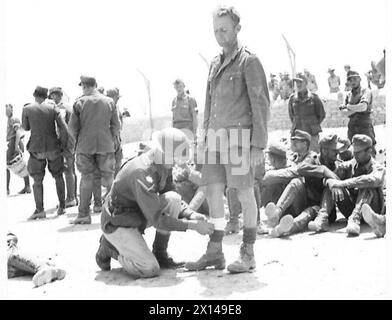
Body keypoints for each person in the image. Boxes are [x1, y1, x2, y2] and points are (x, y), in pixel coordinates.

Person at [185, 6, 270, 274]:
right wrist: (202, 140)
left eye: (224, 29)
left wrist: (258, 144)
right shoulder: (214, 62)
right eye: (215, 31)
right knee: (212, 192)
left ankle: (248, 252)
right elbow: (208, 105)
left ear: (237, 29)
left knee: (244, 194)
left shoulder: (249, 61)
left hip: (239, 139)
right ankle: (215, 251)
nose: (219, 35)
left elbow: (261, 105)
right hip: (214, 140)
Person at [96, 128, 214, 278]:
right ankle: (109, 247)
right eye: (175, 158)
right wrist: (192, 226)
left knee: (173, 199)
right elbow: (157, 220)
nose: (177, 163)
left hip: (138, 213)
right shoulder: (141, 172)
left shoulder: (163, 163)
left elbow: (170, 196)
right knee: (149, 268)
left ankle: (160, 253)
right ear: (164, 153)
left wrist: (191, 215)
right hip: (118, 222)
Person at [269, 134, 347, 237]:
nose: (337, 153)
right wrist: (322, 170)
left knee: (310, 211)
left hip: (322, 209)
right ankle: (277, 213)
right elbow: (301, 168)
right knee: (296, 182)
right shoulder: (313, 159)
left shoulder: (337, 166)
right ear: (324, 151)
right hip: (304, 202)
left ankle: (285, 228)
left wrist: (328, 174)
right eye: (334, 150)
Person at [68, 76, 121, 224]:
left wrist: (79, 140)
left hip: (85, 147)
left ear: (84, 87)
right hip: (106, 146)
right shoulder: (109, 102)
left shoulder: (79, 102)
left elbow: (72, 128)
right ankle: (115, 213)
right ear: (96, 85)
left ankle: (84, 214)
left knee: (86, 178)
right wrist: (109, 138)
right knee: (110, 179)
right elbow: (116, 126)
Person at [312, 134, 385, 236]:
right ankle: (322, 217)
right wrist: (332, 182)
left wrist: (343, 183)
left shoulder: (377, 167)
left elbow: (373, 179)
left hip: (372, 209)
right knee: (334, 185)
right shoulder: (351, 164)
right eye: (354, 152)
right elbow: (330, 176)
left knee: (366, 184)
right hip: (350, 209)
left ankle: (356, 219)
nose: (355, 155)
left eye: (358, 153)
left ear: (369, 151)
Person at [22, 86, 67, 219]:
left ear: (34, 95)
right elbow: (63, 128)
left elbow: (26, 127)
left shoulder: (27, 109)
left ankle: (40, 210)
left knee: (37, 180)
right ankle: (62, 207)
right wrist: (62, 145)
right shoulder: (52, 108)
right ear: (46, 96)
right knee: (58, 176)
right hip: (53, 147)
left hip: (36, 149)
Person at [262, 130, 318, 232]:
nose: (293, 143)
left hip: (307, 202)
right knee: (271, 182)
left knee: (295, 181)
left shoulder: (311, 158)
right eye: (292, 140)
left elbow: (296, 171)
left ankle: (276, 214)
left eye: (296, 141)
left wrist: (268, 176)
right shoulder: (296, 156)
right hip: (294, 200)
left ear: (305, 144)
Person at [48, 87, 78, 208]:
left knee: (68, 170)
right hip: (71, 142)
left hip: (65, 143)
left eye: (52, 95)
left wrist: (63, 144)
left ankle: (70, 198)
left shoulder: (61, 108)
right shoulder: (68, 106)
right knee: (71, 170)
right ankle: (73, 196)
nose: (51, 98)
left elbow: (64, 129)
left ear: (56, 96)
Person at [288, 73, 326, 153]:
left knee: (313, 156)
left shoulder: (314, 98)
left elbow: (321, 114)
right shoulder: (292, 98)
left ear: (305, 83)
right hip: (297, 133)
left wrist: (312, 124)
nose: (298, 84)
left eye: (300, 82)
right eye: (296, 83)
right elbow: (292, 115)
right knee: (297, 157)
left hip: (311, 133)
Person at [339, 71, 376, 149]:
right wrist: (357, 108)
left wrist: (348, 106)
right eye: (350, 80)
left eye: (355, 79)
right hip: (352, 127)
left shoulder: (366, 91)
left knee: (368, 150)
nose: (353, 82)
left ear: (359, 79)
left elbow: (363, 107)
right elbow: (343, 113)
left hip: (364, 125)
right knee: (353, 151)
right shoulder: (348, 95)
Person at [6, 104, 31, 195]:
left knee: (12, 165)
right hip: (10, 143)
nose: (6, 111)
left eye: (8, 109)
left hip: (12, 143)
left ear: (12, 109)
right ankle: (27, 186)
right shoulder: (9, 120)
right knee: (18, 165)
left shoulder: (13, 119)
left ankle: (7, 189)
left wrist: (17, 146)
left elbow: (18, 133)